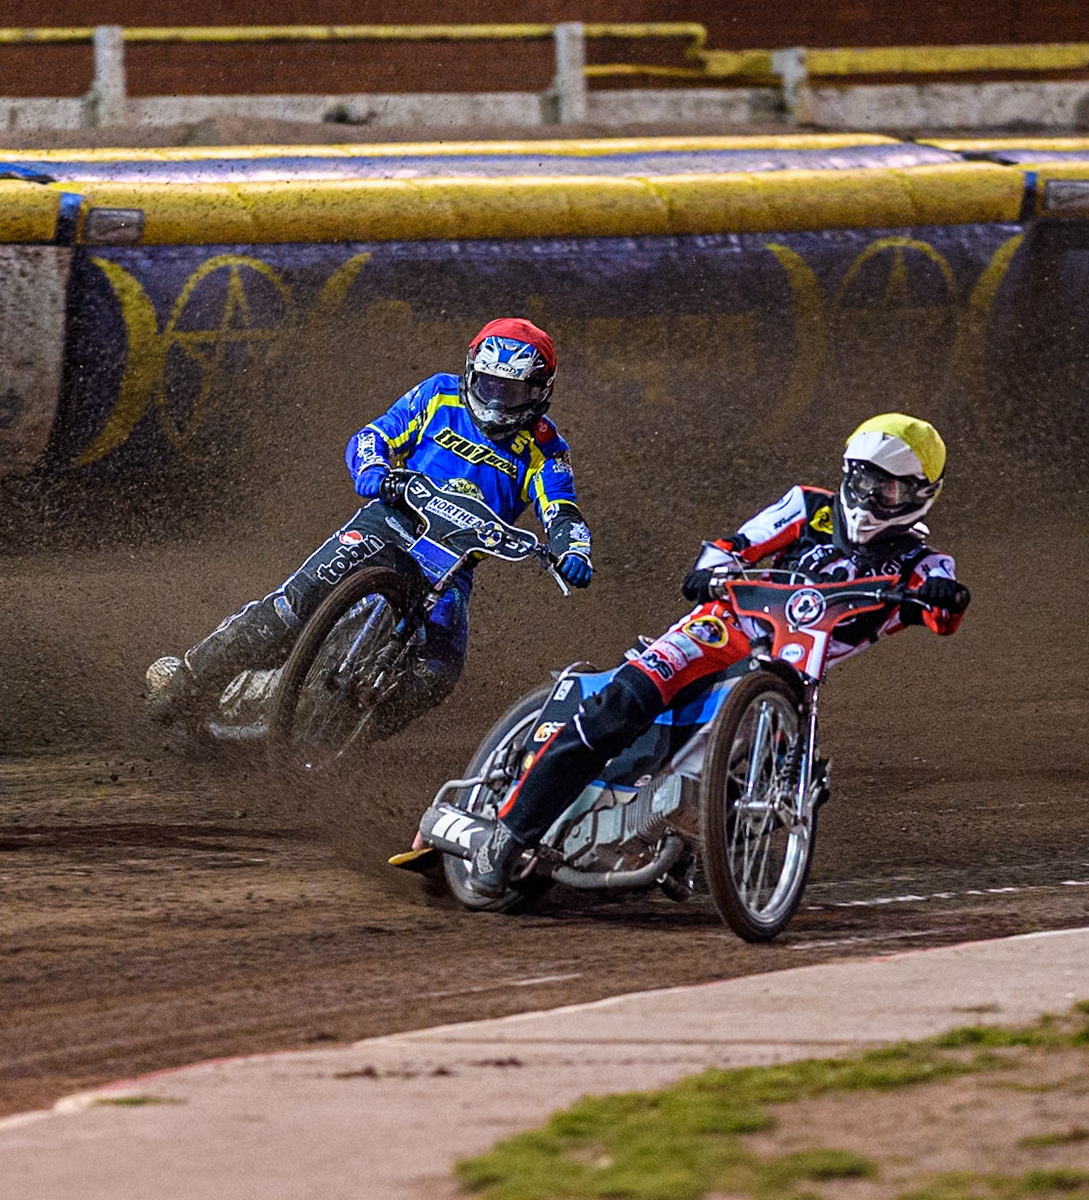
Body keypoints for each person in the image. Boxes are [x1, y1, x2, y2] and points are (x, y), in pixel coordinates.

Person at [416, 412, 971, 896]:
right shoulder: (808, 506)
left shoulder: (920, 563)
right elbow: (735, 544)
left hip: (791, 671)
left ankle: (700, 853)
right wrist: (711, 568)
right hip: (720, 628)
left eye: (888, 490)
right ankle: (507, 836)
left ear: (919, 495)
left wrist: (942, 598)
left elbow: (944, 611)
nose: (870, 497)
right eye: (862, 479)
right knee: (623, 704)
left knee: (792, 767)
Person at [145, 318, 594, 731]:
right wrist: (373, 469)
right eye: (490, 385)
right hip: (389, 523)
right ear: (472, 373)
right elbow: (373, 435)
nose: (497, 401)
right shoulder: (440, 395)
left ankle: (341, 733)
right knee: (292, 606)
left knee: (437, 673)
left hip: (452, 566)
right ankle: (190, 679)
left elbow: (562, 509)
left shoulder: (546, 449)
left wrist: (572, 551)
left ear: (539, 393)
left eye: (511, 393)